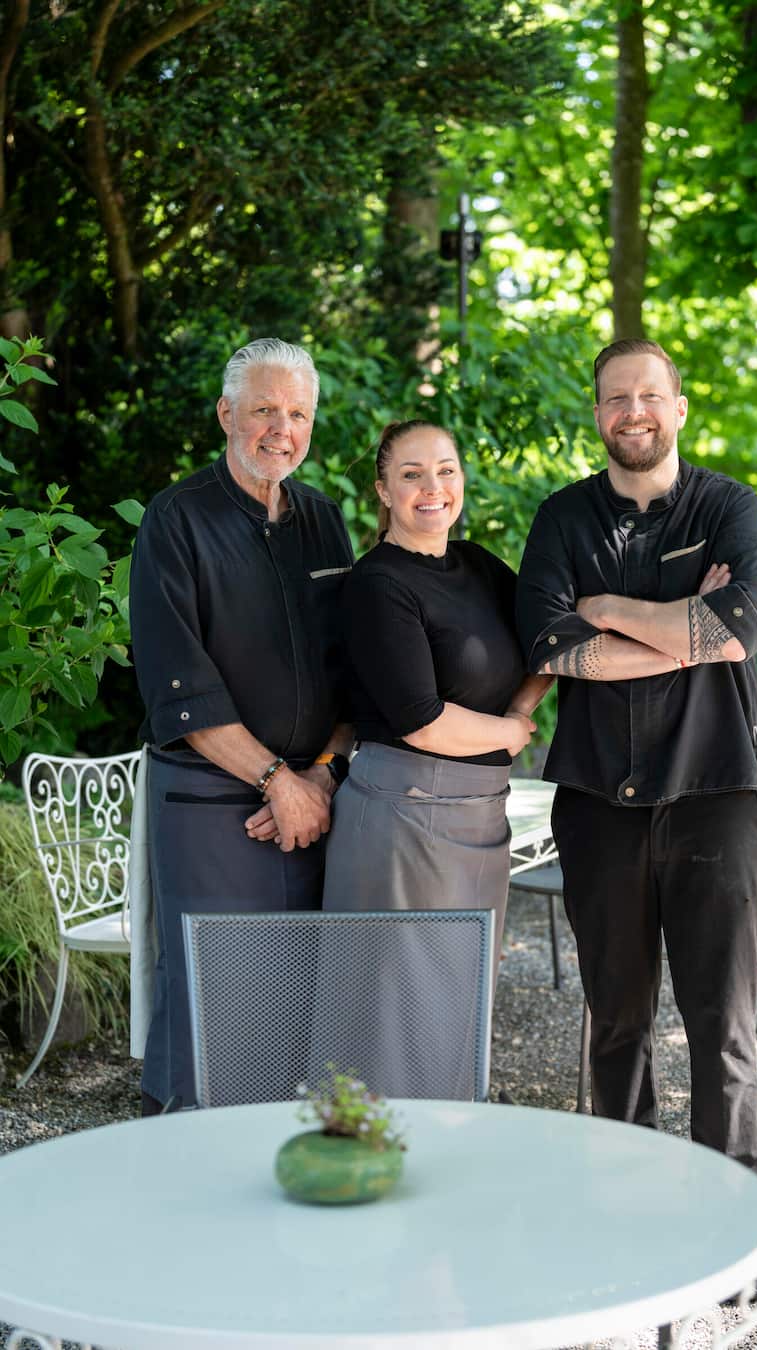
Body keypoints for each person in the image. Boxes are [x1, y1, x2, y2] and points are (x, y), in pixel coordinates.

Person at [516, 338, 757, 1177]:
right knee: (616, 1025)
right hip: (597, 803)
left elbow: (739, 632)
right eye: (615, 399)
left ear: (678, 408)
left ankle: (733, 1214)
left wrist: (605, 606)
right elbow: (551, 648)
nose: (633, 412)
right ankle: (623, 1206)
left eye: (648, 396)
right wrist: (682, 633)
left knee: (724, 1027)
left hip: (716, 793)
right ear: (597, 415)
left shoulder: (731, 509)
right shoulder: (562, 518)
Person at [129, 337, 354, 1114]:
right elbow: (178, 685)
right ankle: (183, 1175)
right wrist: (273, 779)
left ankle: (290, 1173)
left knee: (308, 1002)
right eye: (263, 410)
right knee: (214, 998)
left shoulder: (326, 521)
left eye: (297, 414)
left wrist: (320, 774)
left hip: (313, 797)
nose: (280, 429)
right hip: (214, 802)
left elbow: (352, 668)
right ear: (227, 414)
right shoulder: (176, 520)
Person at [322, 419, 551, 979]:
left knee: (462, 1005)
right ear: (383, 490)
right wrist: (509, 733)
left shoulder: (479, 566)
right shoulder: (376, 585)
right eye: (412, 474)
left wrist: (520, 708)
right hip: (402, 818)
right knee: (392, 1006)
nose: (433, 488)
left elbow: (551, 638)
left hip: (483, 813)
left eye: (445, 471)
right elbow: (422, 722)